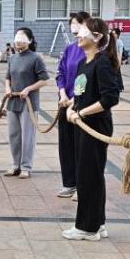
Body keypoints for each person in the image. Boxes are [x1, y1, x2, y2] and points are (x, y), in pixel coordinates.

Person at [62, 17, 121, 241]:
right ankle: (98, 223)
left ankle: (87, 227)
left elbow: (110, 98)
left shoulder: (102, 62)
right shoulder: (83, 63)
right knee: (87, 174)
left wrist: (82, 113)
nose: (78, 34)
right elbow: (81, 94)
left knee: (89, 176)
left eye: (83, 31)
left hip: (95, 126)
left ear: (97, 37)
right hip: (82, 125)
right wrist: (71, 107)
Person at [4, 27, 49, 180]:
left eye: (22, 38)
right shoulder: (12, 58)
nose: (18, 41)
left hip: (28, 103)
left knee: (27, 136)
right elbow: (8, 77)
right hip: (13, 101)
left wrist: (29, 89)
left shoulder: (36, 58)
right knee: (14, 135)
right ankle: (15, 165)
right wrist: (7, 88)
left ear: (29, 41)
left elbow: (44, 80)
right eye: (16, 38)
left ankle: (26, 167)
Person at [55, 12, 90, 200]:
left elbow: (88, 79)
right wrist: (62, 94)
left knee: (81, 147)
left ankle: (82, 186)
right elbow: (60, 73)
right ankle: (69, 183)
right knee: (66, 145)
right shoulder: (69, 49)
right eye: (73, 24)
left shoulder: (92, 51)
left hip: (82, 106)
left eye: (79, 23)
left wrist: (74, 100)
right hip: (65, 102)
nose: (75, 27)